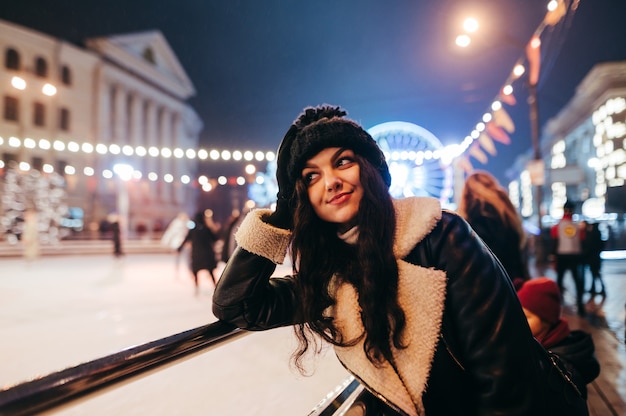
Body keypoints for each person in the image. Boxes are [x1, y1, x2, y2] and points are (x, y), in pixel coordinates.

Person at [213, 105, 587, 415]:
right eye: (311, 177)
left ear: (371, 169)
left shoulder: (442, 237)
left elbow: (505, 383)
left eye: (342, 162)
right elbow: (238, 304)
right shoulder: (330, 278)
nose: (330, 182)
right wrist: (281, 216)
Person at [517, 278, 600, 398]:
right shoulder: (536, 342)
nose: (520, 322)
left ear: (546, 319)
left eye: (526, 317)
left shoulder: (561, 363)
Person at [458, 170, 530, 282]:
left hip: (490, 285)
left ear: (467, 194)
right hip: (515, 280)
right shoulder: (507, 211)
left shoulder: (474, 216)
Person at [550, 200, 585, 316]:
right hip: (575, 255)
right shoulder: (578, 226)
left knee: (560, 279)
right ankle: (580, 305)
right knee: (577, 280)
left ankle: (559, 303)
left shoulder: (557, 226)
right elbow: (582, 241)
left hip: (562, 254)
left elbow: (554, 242)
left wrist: (553, 257)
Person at [179, 209, 220, 294]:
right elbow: (215, 238)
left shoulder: (193, 231)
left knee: (196, 271)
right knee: (210, 271)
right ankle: (215, 287)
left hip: (196, 254)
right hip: (207, 254)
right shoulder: (206, 229)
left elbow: (185, 239)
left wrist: (179, 248)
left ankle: (196, 287)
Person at [581, 221, 605, 296]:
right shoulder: (598, 234)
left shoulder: (592, 234)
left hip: (593, 258)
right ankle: (594, 288)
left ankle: (599, 289)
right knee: (595, 274)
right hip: (596, 258)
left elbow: (590, 246)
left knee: (595, 274)